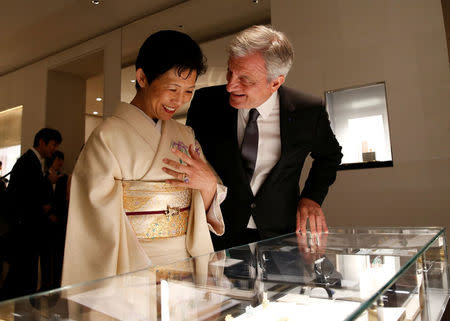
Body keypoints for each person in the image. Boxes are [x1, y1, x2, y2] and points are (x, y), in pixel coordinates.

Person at [62, 30, 225, 286]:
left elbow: (203, 207)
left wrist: (207, 185)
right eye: (173, 88)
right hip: (132, 266)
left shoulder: (185, 135)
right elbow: (92, 220)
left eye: (188, 92)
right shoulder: (107, 137)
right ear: (142, 77)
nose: (179, 100)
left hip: (185, 262)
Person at [186, 25, 342, 250]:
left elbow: (330, 156)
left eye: (245, 79)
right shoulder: (205, 104)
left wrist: (312, 197)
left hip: (280, 238)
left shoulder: (307, 112)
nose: (230, 85)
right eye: (230, 72)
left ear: (276, 82)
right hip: (217, 235)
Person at [1, 128, 62, 299]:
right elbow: (25, 196)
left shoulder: (31, 161)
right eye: (52, 145)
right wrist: (42, 205)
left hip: (26, 229)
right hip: (26, 230)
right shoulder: (29, 161)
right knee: (22, 275)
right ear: (42, 142)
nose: (54, 149)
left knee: (21, 275)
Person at [40, 151, 69, 290]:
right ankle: (45, 283)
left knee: (58, 254)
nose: (61, 163)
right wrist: (48, 213)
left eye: (61, 160)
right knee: (45, 254)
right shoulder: (43, 177)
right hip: (45, 222)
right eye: (58, 160)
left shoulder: (64, 178)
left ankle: (57, 283)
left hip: (59, 222)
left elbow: (64, 200)